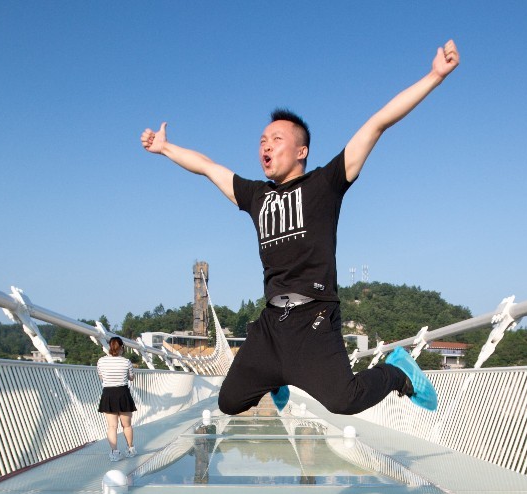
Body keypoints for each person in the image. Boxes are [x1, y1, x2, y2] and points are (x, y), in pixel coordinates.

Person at [140, 40, 460, 416]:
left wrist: (435, 76)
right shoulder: (256, 196)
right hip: (272, 324)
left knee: (346, 401)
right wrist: (166, 149)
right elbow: (209, 167)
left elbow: (377, 124)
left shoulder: (325, 185)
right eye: (262, 140)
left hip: (315, 319)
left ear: (301, 151)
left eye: (276, 139)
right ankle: (275, 378)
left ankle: (397, 373)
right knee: (228, 403)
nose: (266, 146)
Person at [96, 336, 137, 460]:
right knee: (127, 425)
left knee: (112, 426)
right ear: (121, 348)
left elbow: (101, 377)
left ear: (109, 347)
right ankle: (130, 449)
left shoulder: (101, 361)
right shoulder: (126, 362)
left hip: (108, 394)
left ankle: (114, 453)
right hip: (123, 393)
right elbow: (131, 377)